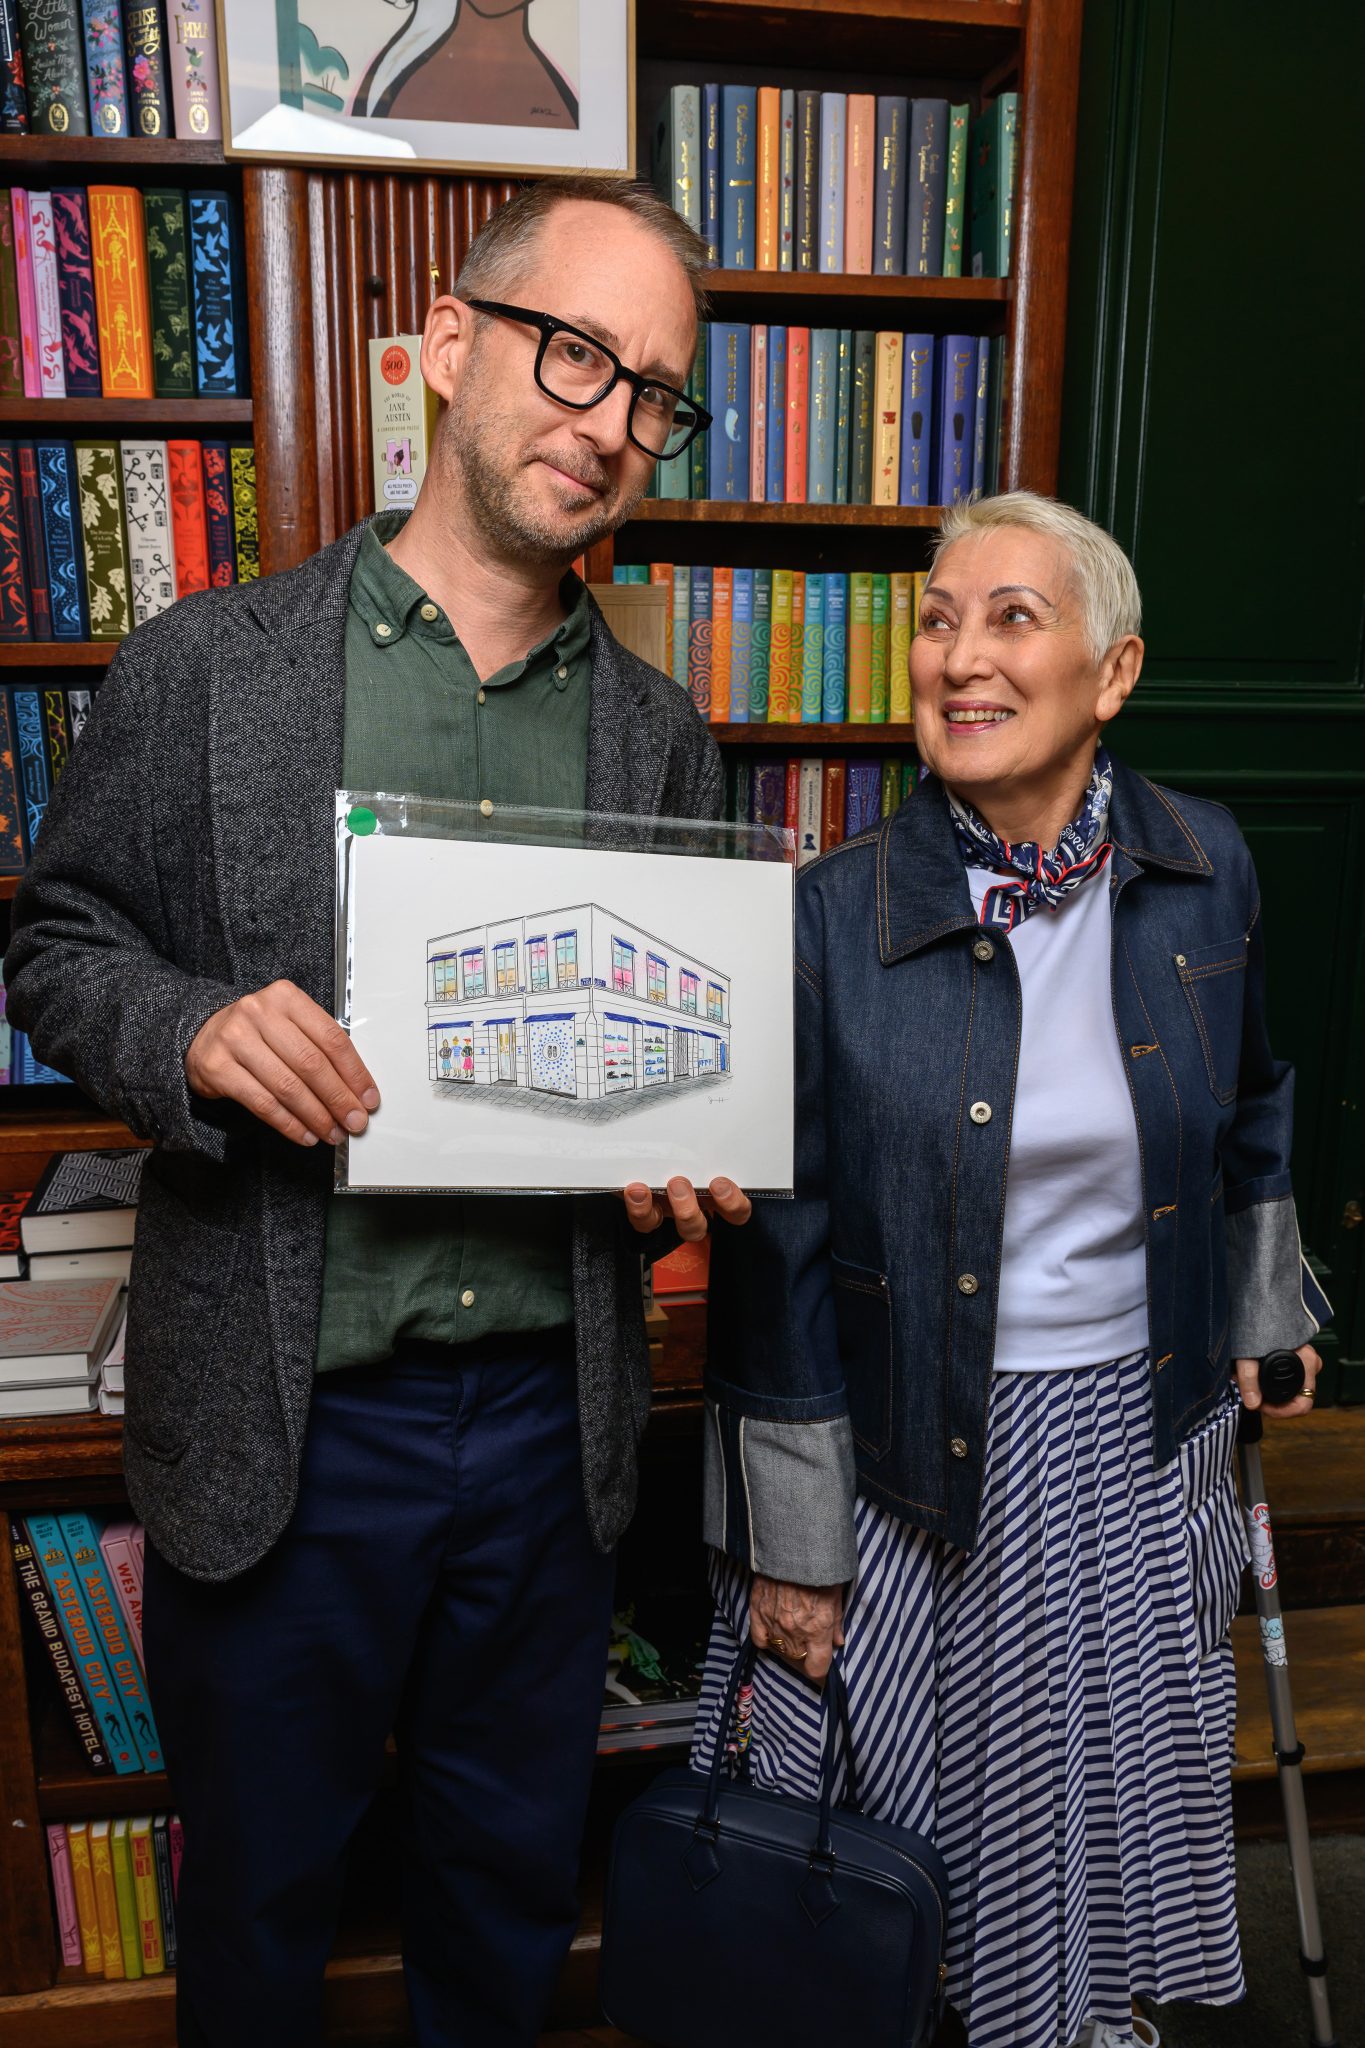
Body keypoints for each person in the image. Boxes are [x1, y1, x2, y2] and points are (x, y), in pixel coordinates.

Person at [5, 177, 749, 2048]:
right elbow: (60, 950)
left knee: (506, 1891)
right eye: (577, 355)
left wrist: (678, 1150)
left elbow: (663, 1051)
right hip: (288, 1432)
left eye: (652, 393)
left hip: (546, 1431)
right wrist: (185, 1031)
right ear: (444, 342)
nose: (607, 424)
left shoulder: (659, 735)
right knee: (257, 1903)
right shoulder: (204, 666)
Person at [693, 493, 1329, 2048]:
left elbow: (1250, 1105)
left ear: (1110, 675)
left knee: (1099, 1811)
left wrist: (1263, 1314)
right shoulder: (830, 916)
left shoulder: (1203, 868)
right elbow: (774, 1251)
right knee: (913, 1843)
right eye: (935, 620)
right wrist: (789, 1547)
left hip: (1136, 1443)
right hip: (914, 1462)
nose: (958, 659)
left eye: (1010, 619)